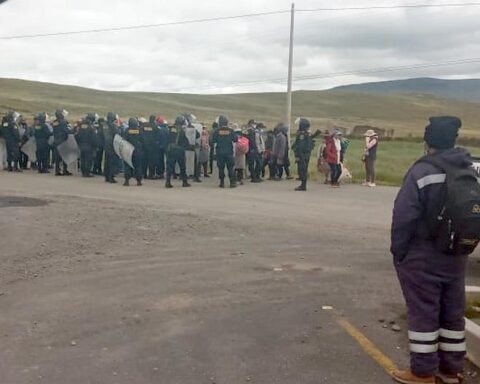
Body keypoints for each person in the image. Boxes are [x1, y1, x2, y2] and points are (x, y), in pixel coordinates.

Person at [391, 116, 472, 384]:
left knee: (424, 313)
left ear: (428, 143)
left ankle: (422, 372)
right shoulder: (468, 169)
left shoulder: (422, 171)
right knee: (452, 312)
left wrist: (398, 251)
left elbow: (404, 216)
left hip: (423, 256)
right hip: (457, 254)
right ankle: (451, 370)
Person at [292, 118, 320, 191]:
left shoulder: (302, 135)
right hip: (306, 155)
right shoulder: (307, 134)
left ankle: (303, 185)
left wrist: (297, 155)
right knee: (303, 169)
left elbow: (300, 146)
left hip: (302, 155)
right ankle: (303, 184)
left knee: (302, 169)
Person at [165, 115, 191, 188]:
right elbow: (186, 141)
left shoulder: (170, 129)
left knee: (169, 167)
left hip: (170, 149)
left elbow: (167, 139)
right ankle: (184, 182)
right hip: (179, 150)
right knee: (182, 167)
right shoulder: (181, 131)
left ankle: (168, 182)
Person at [212, 115, 237, 188]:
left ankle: (222, 182)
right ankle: (232, 182)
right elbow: (235, 139)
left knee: (221, 168)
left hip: (220, 152)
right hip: (229, 152)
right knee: (230, 167)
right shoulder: (230, 130)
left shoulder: (217, 131)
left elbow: (213, 140)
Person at [122, 117, 144, 186]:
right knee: (138, 166)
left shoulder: (126, 130)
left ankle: (127, 180)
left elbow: (123, 140)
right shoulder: (139, 131)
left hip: (128, 150)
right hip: (137, 151)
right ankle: (139, 181)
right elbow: (143, 140)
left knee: (127, 166)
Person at [52, 109, 72, 176]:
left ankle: (57, 171)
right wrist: (73, 130)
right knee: (65, 156)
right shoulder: (64, 121)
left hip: (56, 140)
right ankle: (65, 170)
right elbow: (66, 130)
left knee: (57, 157)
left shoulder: (55, 122)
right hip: (63, 140)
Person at [75, 113, 96, 177]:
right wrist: (95, 145)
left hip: (81, 145)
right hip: (89, 145)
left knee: (83, 159)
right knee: (88, 159)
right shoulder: (91, 127)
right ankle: (87, 172)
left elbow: (77, 135)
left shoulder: (81, 126)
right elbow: (93, 138)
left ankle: (83, 172)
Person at [103, 112, 119, 184]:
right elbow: (117, 134)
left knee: (107, 161)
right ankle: (111, 177)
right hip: (112, 145)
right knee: (112, 162)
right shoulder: (113, 126)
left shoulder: (104, 125)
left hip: (106, 145)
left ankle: (106, 176)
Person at [143, 115, 160, 179]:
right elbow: (158, 137)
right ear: (154, 120)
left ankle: (144, 174)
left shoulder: (144, 126)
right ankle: (151, 175)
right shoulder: (155, 127)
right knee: (152, 161)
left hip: (144, 146)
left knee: (144, 161)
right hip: (152, 147)